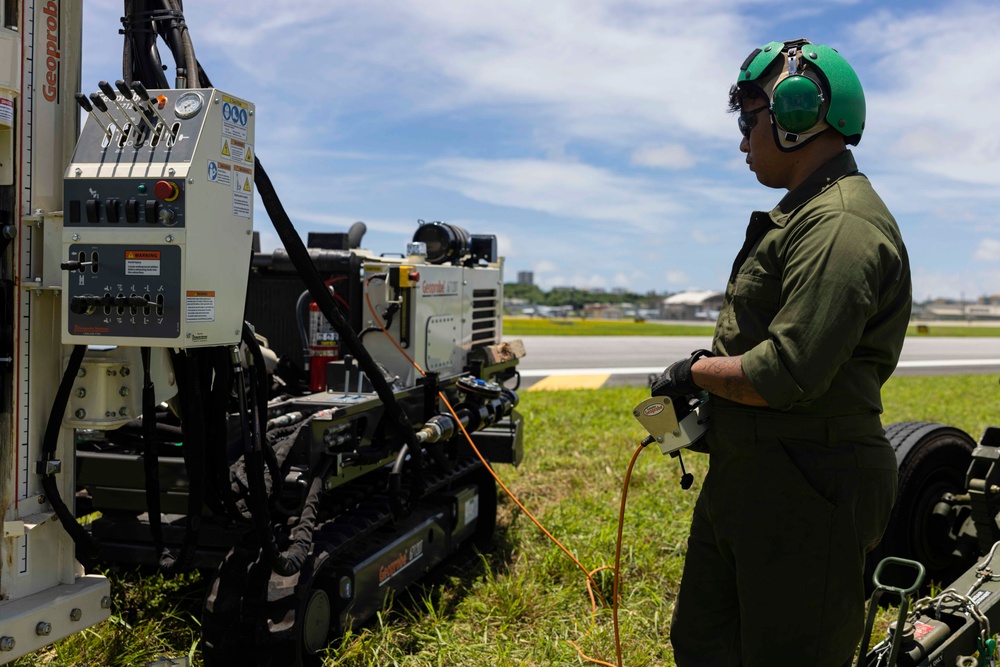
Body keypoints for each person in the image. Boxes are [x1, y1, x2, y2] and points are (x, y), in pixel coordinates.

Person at [649, 39, 911, 667]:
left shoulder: (841, 224)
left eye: (748, 119)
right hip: (757, 473)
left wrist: (693, 371)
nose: (742, 141)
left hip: (806, 484)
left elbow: (785, 371)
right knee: (705, 643)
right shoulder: (803, 215)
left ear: (797, 114)